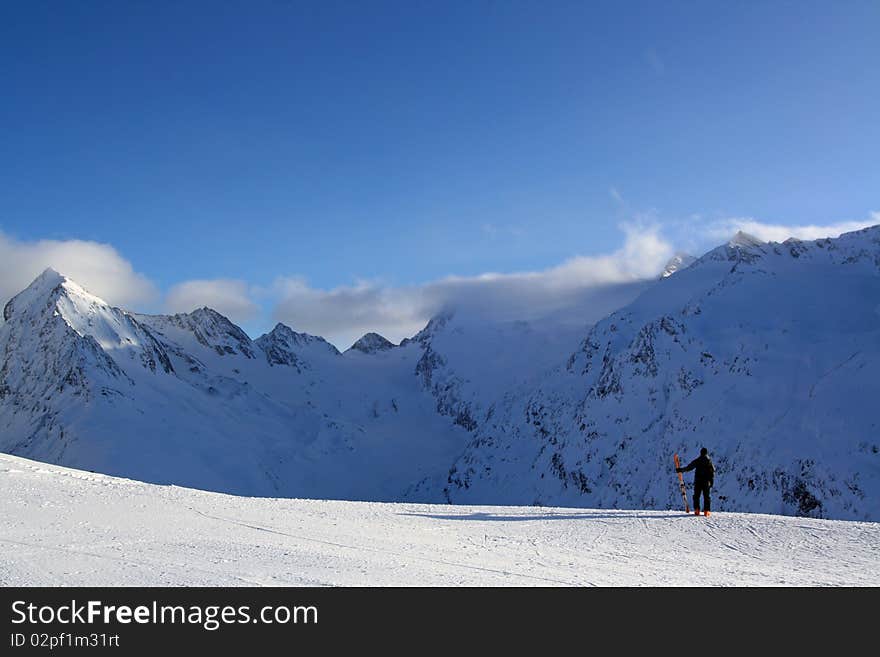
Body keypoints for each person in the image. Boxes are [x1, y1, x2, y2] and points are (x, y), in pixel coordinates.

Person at [676, 447, 716, 516]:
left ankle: (697, 510)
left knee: (696, 496)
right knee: (706, 496)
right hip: (706, 482)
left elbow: (689, 467)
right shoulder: (709, 461)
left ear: (701, 453)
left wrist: (680, 470)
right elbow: (712, 472)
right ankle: (706, 511)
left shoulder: (698, 460)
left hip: (698, 481)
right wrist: (711, 482)